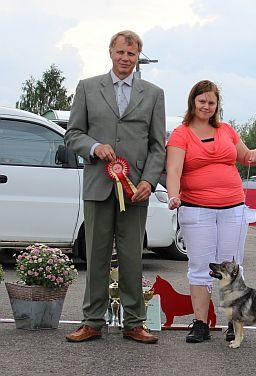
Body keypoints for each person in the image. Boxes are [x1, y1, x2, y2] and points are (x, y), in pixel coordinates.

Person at [65, 30, 166, 344]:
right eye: (121, 52)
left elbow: (157, 146)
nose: (125, 58)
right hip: (99, 185)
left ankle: (134, 322)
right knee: (95, 256)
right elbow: (73, 134)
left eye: (132, 54)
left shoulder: (153, 93)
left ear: (138, 58)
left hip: (135, 189)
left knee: (132, 256)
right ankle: (92, 321)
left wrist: (149, 181)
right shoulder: (87, 88)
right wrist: (95, 147)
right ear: (110, 52)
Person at [166, 80, 256, 343]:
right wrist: (174, 195)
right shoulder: (181, 133)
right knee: (200, 267)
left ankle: (235, 322)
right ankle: (200, 324)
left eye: (211, 102)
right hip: (198, 210)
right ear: (192, 102)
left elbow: (245, 156)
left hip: (233, 208)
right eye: (202, 101)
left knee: (232, 266)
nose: (206, 106)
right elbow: (174, 169)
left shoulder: (227, 130)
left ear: (217, 105)